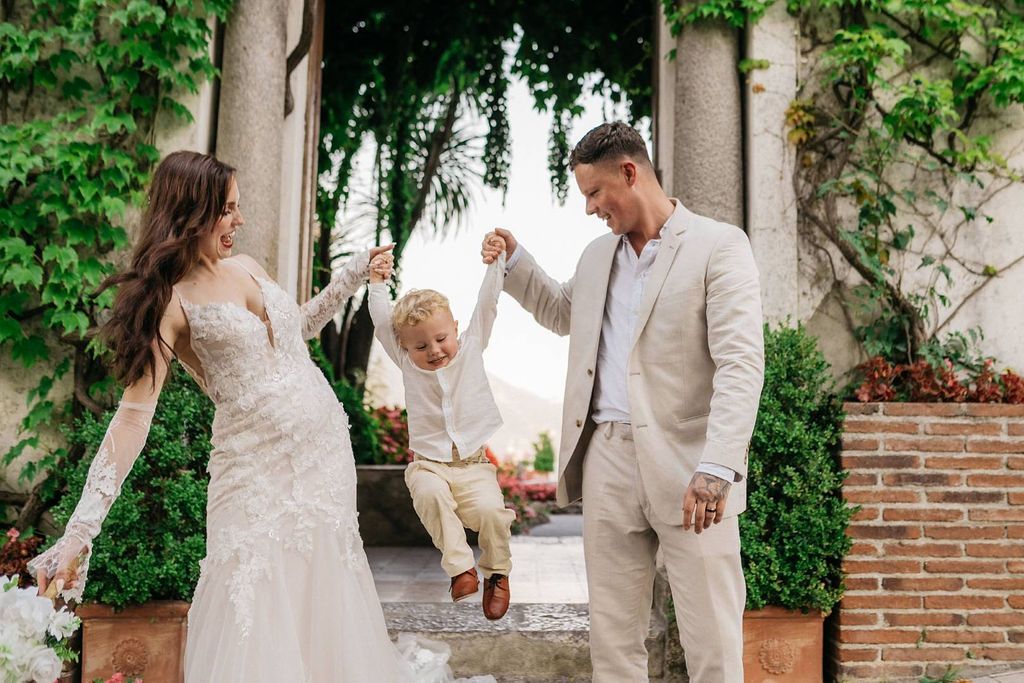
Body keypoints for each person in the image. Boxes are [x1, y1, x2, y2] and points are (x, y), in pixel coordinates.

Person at [28, 151, 467, 681]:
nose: (240, 220)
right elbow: (132, 417)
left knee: (322, 592)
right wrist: (80, 530)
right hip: (252, 473)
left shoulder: (247, 266)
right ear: (193, 212)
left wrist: (352, 275)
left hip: (322, 458)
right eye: (228, 209)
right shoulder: (171, 303)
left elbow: (296, 329)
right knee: (255, 599)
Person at [480, 122, 764, 682]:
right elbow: (563, 311)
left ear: (629, 173)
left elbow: (741, 363)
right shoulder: (594, 256)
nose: (589, 209)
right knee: (613, 638)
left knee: (712, 637)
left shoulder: (719, 245)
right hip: (607, 457)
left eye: (593, 193)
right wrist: (515, 261)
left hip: (692, 465)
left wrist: (717, 467)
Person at [367, 240, 515, 621]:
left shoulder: (471, 347)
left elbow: (488, 302)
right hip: (429, 464)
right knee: (430, 494)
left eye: (440, 338)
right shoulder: (407, 362)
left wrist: (496, 260)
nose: (433, 350)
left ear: (456, 328)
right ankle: (461, 570)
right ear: (403, 346)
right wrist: (377, 280)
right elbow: (382, 319)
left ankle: (497, 574)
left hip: (473, 465)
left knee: (492, 514)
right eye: (420, 345)